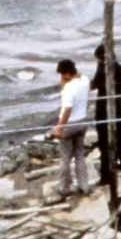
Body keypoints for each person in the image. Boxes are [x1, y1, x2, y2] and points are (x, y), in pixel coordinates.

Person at [47, 58, 90, 197]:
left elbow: (67, 109)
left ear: (66, 74)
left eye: (61, 74)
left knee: (65, 157)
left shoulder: (69, 88)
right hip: (82, 121)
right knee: (79, 155)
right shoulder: (85, 80)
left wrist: (59, 127)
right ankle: (84, 185)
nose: (60, 78)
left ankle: (64, 187)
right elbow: (80, 75)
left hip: (69, 124)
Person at [90, 43, 121, 180]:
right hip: (118, 107)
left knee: (103, 141)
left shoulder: (103, 72)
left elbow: (93, 85)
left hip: (103, 109)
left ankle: (105, 173)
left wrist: (99, 68)